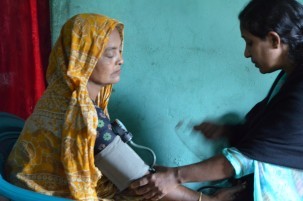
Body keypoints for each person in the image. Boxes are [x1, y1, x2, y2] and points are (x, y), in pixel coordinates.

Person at [4, 13, 244, 201]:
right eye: (110, 54)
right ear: (82, 59)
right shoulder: (85, 118)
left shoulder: (57, 96)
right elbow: (143, 182)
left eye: (119, 51)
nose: (121, 60)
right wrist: (208, 200)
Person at [130, 0, 303, 200]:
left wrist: (175, 176)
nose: (246, 53)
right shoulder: (290, 77)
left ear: (274, 40)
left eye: (250, 43)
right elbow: (278, 138)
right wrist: (229, 131)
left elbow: (247, 157)